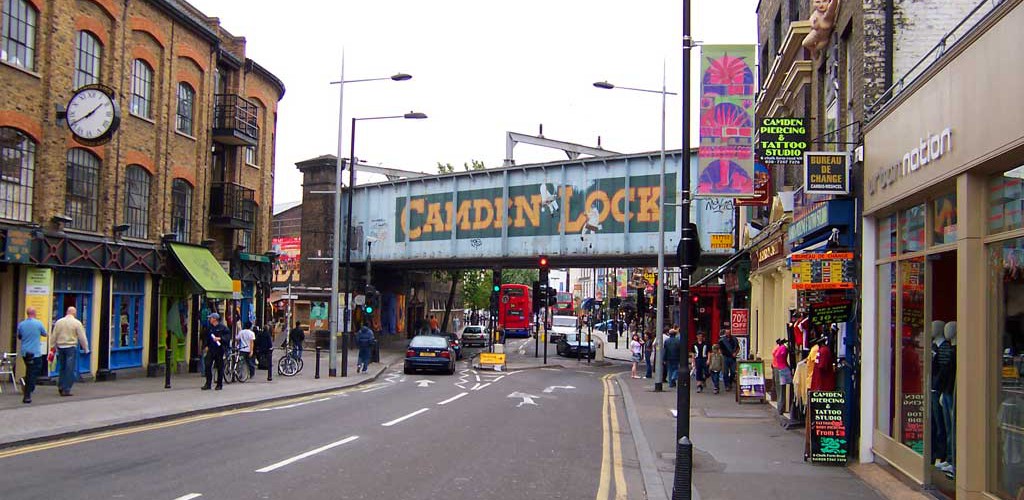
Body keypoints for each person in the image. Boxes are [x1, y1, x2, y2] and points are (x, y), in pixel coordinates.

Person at [50, 306, 90, 397]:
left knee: (62, 367)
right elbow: (82, 337)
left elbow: (54, 335)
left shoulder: (59, 322)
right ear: (74, 313)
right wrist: (86, 348)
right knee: (70, 369)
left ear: (67, 312)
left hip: (61, 347)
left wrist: (52, 346)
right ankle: (66, 388)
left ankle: (60, 385)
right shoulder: (76, 323)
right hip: (71, 347)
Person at [17, 307, 47, 403]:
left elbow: (19, 336)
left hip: (25, 351)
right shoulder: (38, 323)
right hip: (35, 352)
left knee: (30, 370)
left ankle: (27, 385)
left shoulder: (21, 324)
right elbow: (44, 334)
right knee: (34, 371)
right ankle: (28, 392)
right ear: (34, 313)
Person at [202, 312, 228, 390]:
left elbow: (227, 337)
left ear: (215, 319)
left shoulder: (223, 328)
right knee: (207, 365)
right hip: (211, 349)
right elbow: (207, 338)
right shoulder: (210, 328)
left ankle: (219, 384)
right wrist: (206, 346)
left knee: (219, 367)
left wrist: (220, 338)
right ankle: (208, 383)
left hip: (219, 349)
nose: (209, 319)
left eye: (210, 318)